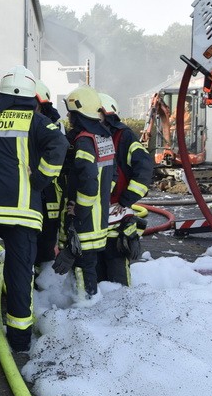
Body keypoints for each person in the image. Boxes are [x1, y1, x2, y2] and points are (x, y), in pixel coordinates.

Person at [0, 66, 68, 352]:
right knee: (19, 272)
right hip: (23, 213)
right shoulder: (37, 123)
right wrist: (41, 179)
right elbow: (59, 145)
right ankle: (19, 338)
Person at [55, 85, 115, 299]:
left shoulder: (84, 142)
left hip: (85, 223)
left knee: (81, 270)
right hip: (98, 221)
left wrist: (77, 211)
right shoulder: (104, 138)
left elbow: (89, 182)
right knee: (89, 268)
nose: (68, 118)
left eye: (70, 114)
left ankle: (85, 313)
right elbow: (110, 178)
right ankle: (90, 308)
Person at [98, 93, 153, 286]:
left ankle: (122, 309)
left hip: (116, 213)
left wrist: (126, 199)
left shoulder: (123, 136)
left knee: (116, 266)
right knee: (94, 271)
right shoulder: (88, 136)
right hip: (94, 213)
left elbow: (144, 167)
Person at [34, 80, 66, 274]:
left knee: (47, 240)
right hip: (30, 191)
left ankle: (43, 283)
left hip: (51, 193)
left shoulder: (55, 128)